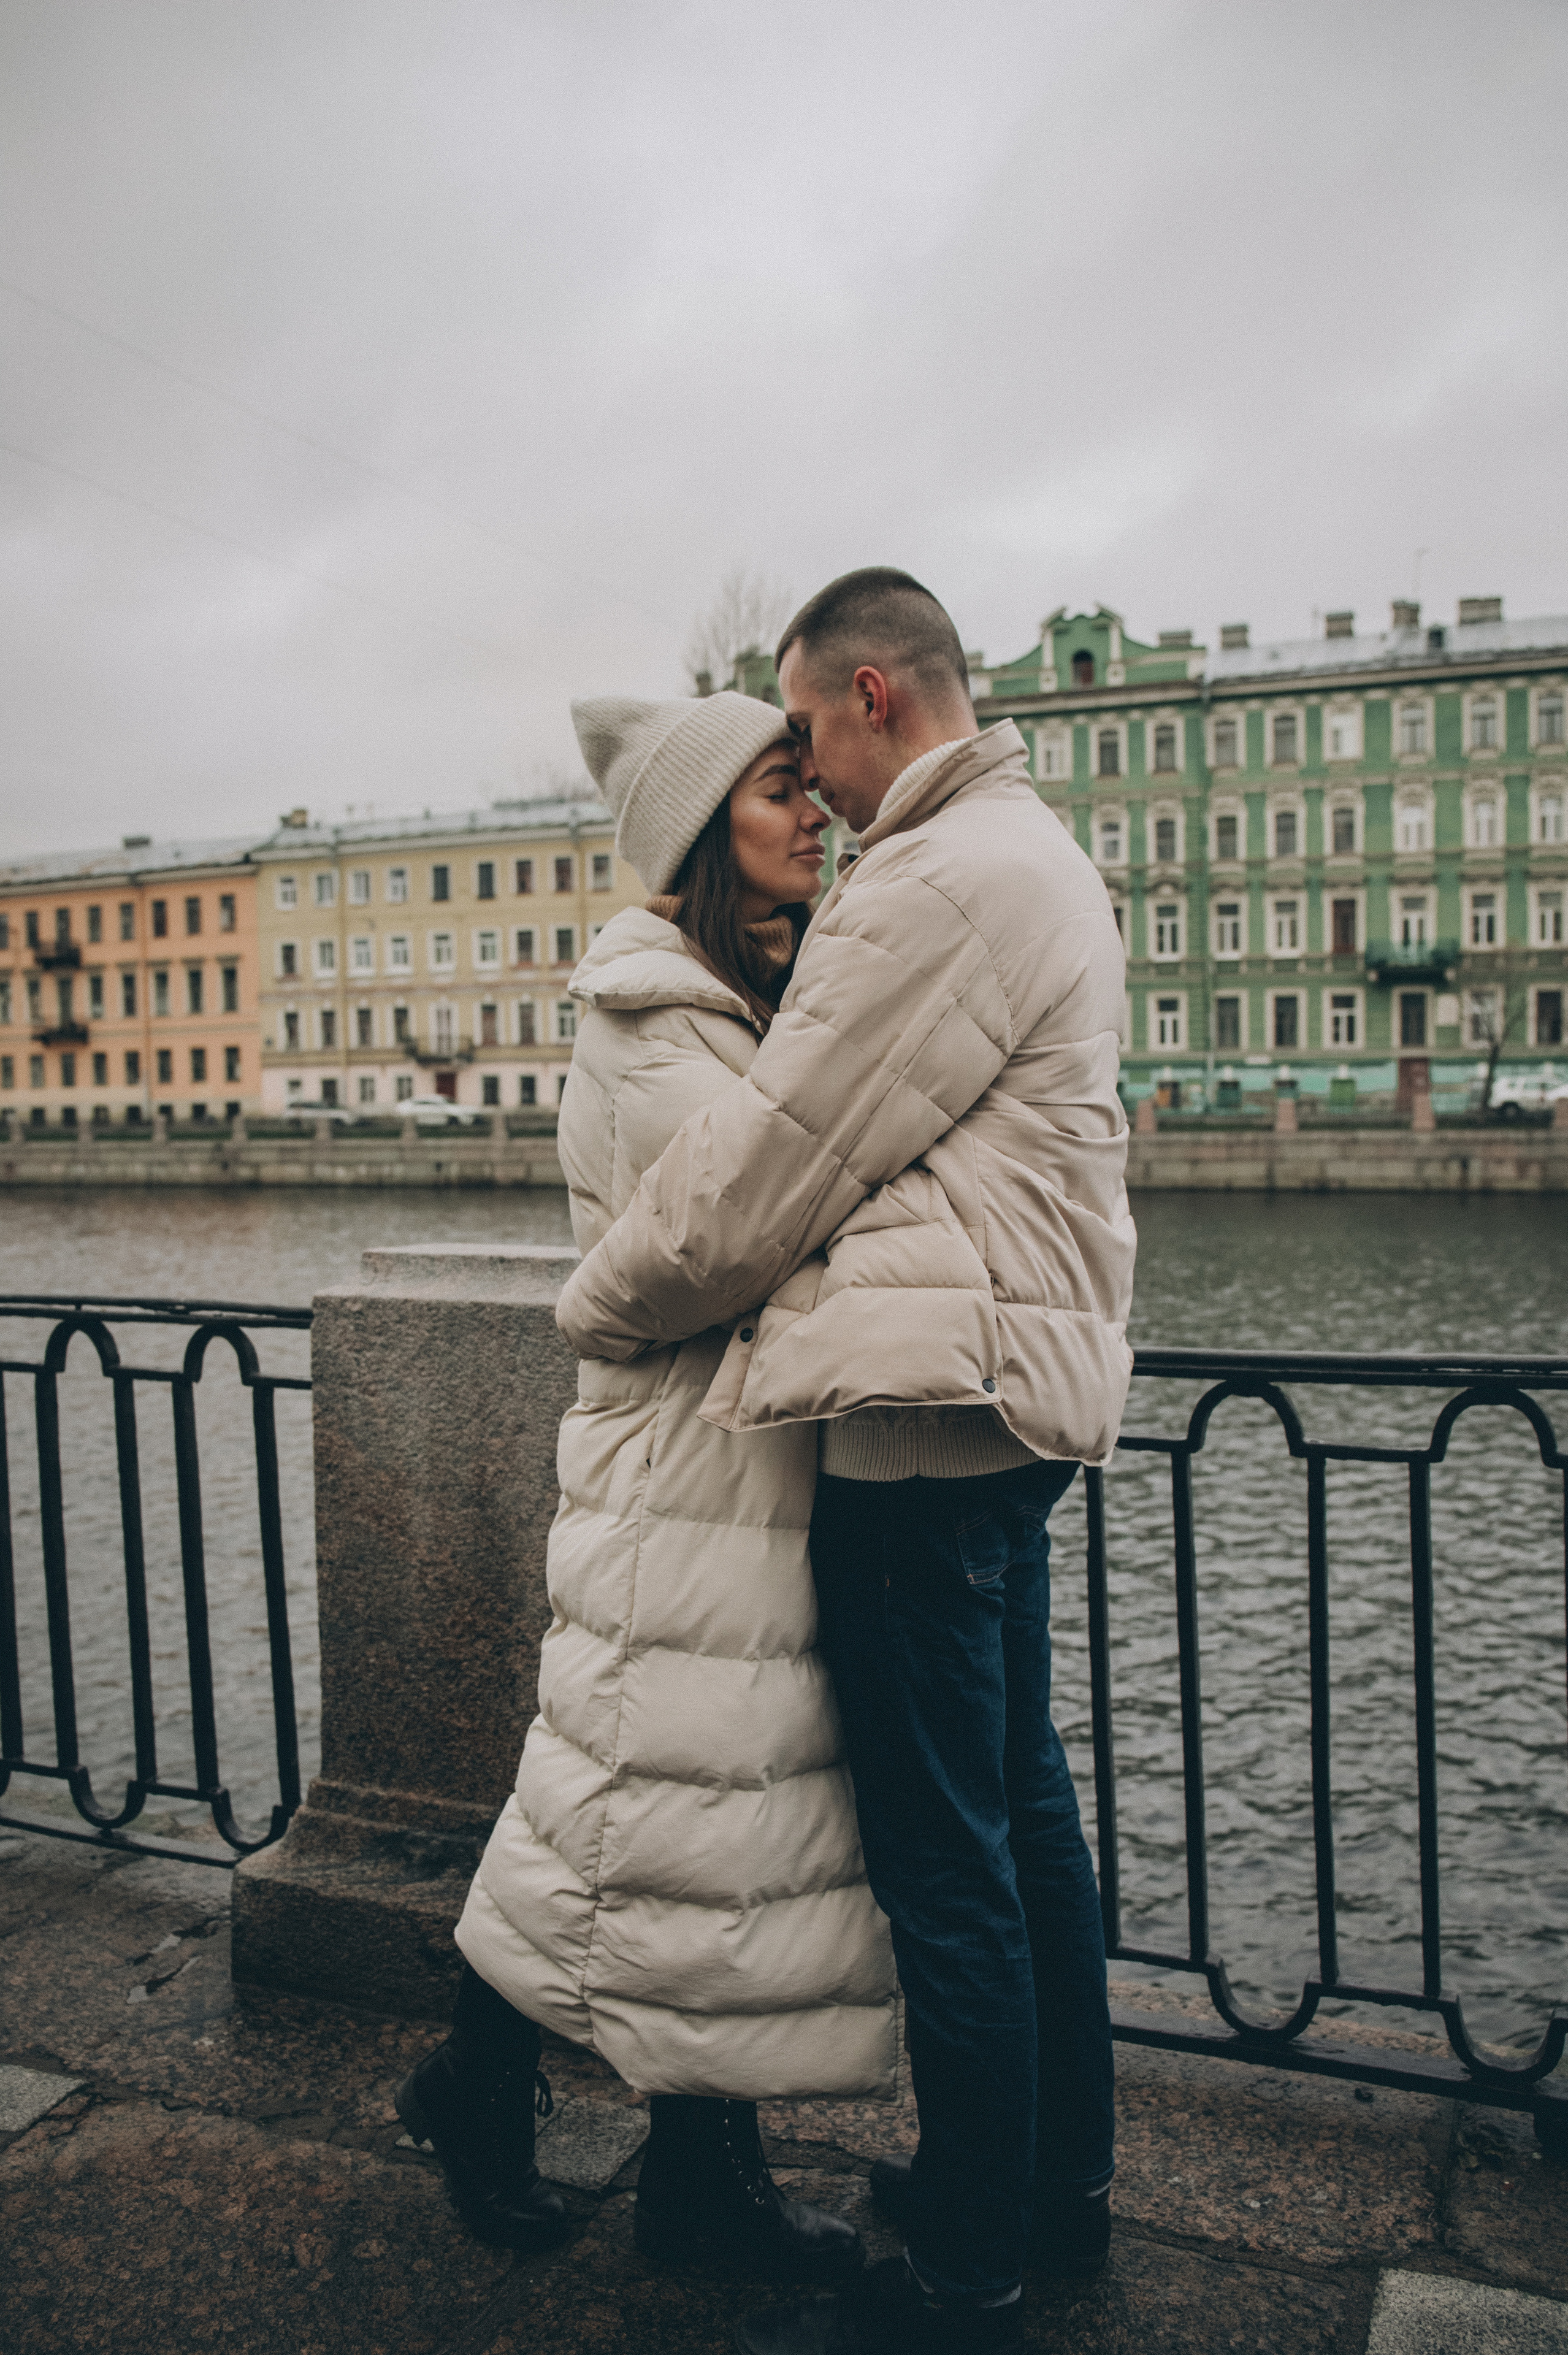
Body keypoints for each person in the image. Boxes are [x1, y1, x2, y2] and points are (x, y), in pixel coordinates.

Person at [554, 569, 1137, 2355]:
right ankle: (1048, 2189)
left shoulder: (934, 885)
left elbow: (763, 1177)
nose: (810, 778)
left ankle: (968, 2273)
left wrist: (595, 1303)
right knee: (1024, 1819)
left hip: (923, 1425)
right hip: (1010, 1401)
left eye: (808, 733)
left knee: (949, 1868)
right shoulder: (1035, 851)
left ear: (872, 695)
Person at [397, 689, 897, 2284]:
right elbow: (758, 1235)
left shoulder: (741, 1004)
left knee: (687, 1829)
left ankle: (667, 2170)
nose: (815, 813)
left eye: (812, 788)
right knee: (629, 1813)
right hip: (677, 1477)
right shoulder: (649, 1023)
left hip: (739, 1478)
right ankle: (509, 2101)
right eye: (779, 788)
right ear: (700, 832)